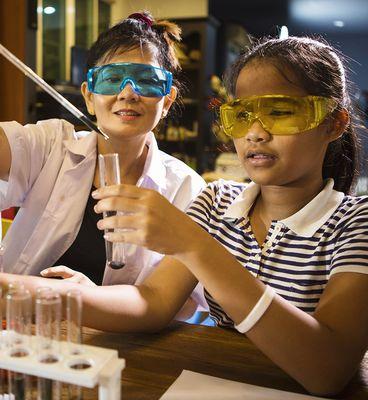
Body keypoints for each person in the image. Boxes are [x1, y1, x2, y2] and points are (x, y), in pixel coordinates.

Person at [1, 35, 368, 395]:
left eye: (280, 112)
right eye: (242, 115)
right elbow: (153, 302)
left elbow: (329, 370)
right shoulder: (217, 200)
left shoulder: (356, 223)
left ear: (334, 123)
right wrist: (25, 291)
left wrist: (195, 245)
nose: (256, 133)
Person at [0, 12, 207, 317]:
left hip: (121, 350)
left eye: (147, 82)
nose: (127, 94)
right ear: (88, 96)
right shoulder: (50, 145)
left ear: (166, 100)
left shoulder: (187, 190)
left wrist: (93, 298)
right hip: (19, 334)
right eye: (111, 79)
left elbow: (181, 304)